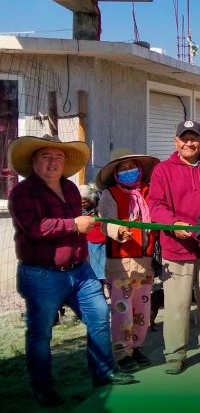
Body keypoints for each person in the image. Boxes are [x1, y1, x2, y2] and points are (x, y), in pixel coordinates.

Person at [8, 135, 134, 407]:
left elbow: (86, 223)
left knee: (100, 316)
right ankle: (43, 388)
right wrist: (74, 225)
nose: (53, 162)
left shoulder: (71, 188)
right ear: (33, 161)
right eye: (46, 157)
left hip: (80, 270)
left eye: (59, 157)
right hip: (42, 274)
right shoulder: (22, 192)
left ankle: (103, 372)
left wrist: (107, 229)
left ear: (65, 163)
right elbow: (35, 227)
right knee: (41, 333)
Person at [148, 120, 200, 375]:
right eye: (184, 138)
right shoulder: (162, 170)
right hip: (175, 247)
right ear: (175, 140)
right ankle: (175, 355)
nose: (189, 143)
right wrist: (171, 224)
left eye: (194, 138)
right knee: (177, 305)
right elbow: (155, 205)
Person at [96, 148, 160, 373]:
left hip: (145, 262)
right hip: (121, 263)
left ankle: (137, 346)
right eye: (122, 169)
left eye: (131, 167)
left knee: (142, 309)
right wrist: (118, 230)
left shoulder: (148, 191)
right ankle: (122, 351)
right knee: (122, 311)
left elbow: (159, 213)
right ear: (115, 173)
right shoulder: (110, 194)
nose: (127, 172)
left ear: (139, 170)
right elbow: (106, 221)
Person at [80, 183, 106, 285]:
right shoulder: (80, 210)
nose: (82, 204)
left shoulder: (98, 208)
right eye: (81, 202)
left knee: (99, 268)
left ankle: (100, 284)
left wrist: (92, 221)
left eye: (85, 201)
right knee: (92, 266)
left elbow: (103, 221)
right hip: (88, 240)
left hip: (99, 240)